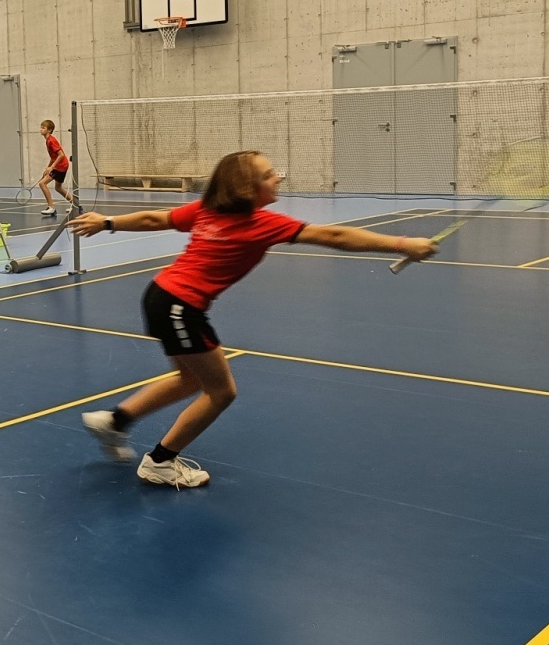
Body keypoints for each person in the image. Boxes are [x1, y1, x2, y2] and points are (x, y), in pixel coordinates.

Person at [72, 150, 437, 487]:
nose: (277, 178)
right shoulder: (262, 222)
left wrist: (107, 222)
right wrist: (403, 244)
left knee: (190, 379)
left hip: (161, 295)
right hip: (180, 307)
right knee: (221, 392)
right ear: (248, 187)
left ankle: (115, 422)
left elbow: (155, 218)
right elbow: (334, 235)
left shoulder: (208, 210)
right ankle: (160, 462)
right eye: (268, 174)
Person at [35, 119, 78, 217]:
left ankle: (51, 207)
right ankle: (76, 205)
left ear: (49, 130)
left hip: (60, 166)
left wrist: (52, 167)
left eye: (43, 128)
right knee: (58, 188)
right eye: (41, 127)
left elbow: (61, 155)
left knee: (42, 184)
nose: (41, 129)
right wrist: (48, 167)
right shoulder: (48, 140)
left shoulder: (51, 140)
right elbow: (53, 157)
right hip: (61, 165)